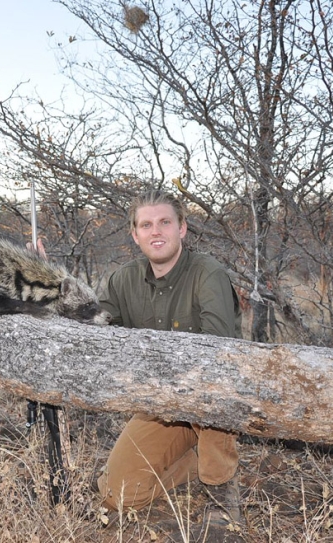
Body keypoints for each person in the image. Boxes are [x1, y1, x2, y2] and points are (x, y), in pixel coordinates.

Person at [96, 189, 243, 519]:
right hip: (161, 404)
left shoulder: (208, 274)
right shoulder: (123, 280)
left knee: (217, 388)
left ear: (182, 228)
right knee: (117, 494)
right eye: (146, 225)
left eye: (165, 222)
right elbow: (92, 333)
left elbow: (219, 355)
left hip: (211, 399)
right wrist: (48, 284)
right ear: (135, 235)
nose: (156, 231)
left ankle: (221, 486)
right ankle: (197, 461)